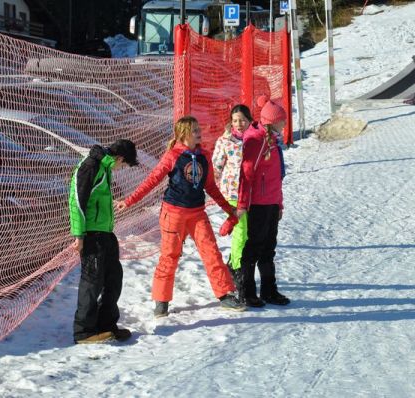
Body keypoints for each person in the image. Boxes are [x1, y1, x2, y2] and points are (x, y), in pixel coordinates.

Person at [117, 116, 245, 317]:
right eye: (194, 130)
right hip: (173, 213)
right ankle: (161, 300)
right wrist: (129, 200)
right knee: (170, 255)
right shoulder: (172, 155)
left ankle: (225, 294)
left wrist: (228, 209)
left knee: (211, 251)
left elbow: (210, 186)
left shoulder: (204, 155)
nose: (199, 132)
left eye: (198, 128)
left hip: (197, 212)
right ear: (184, 134)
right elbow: (152, 180)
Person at [68, 139, 139, 344]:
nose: (120, 169)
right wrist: (79, 235)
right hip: (90, 234)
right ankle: (84, 331)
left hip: (105, 233)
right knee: (92, 283)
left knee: (114, 278)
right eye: (123, 166)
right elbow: (76, 201)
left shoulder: (105, 167)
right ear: (120, 158)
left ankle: (106, 324)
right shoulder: (90, 166)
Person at [237, 95, 290, 307]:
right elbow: (246, 174)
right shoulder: (256, 141)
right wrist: (242, 204)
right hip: (258, 203)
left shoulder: (273, 142)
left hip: (271, 202)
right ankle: (247, 290)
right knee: (254, 247)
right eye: (282, 120)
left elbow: (277, 177)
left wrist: (279, 204)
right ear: (272, 121)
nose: (285, 124)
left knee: (269, 247)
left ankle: (269, 290)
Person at [212, 104, 253, 299]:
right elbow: (216, 166)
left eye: (243, 120)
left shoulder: (255, 138)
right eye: (236, 120)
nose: (239, 124)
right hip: (233, 192)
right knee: (241, 231)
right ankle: (236, 268)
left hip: (253, 193)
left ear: (250, 120)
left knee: (248, 233)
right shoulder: (225, 141)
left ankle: (233, 261)